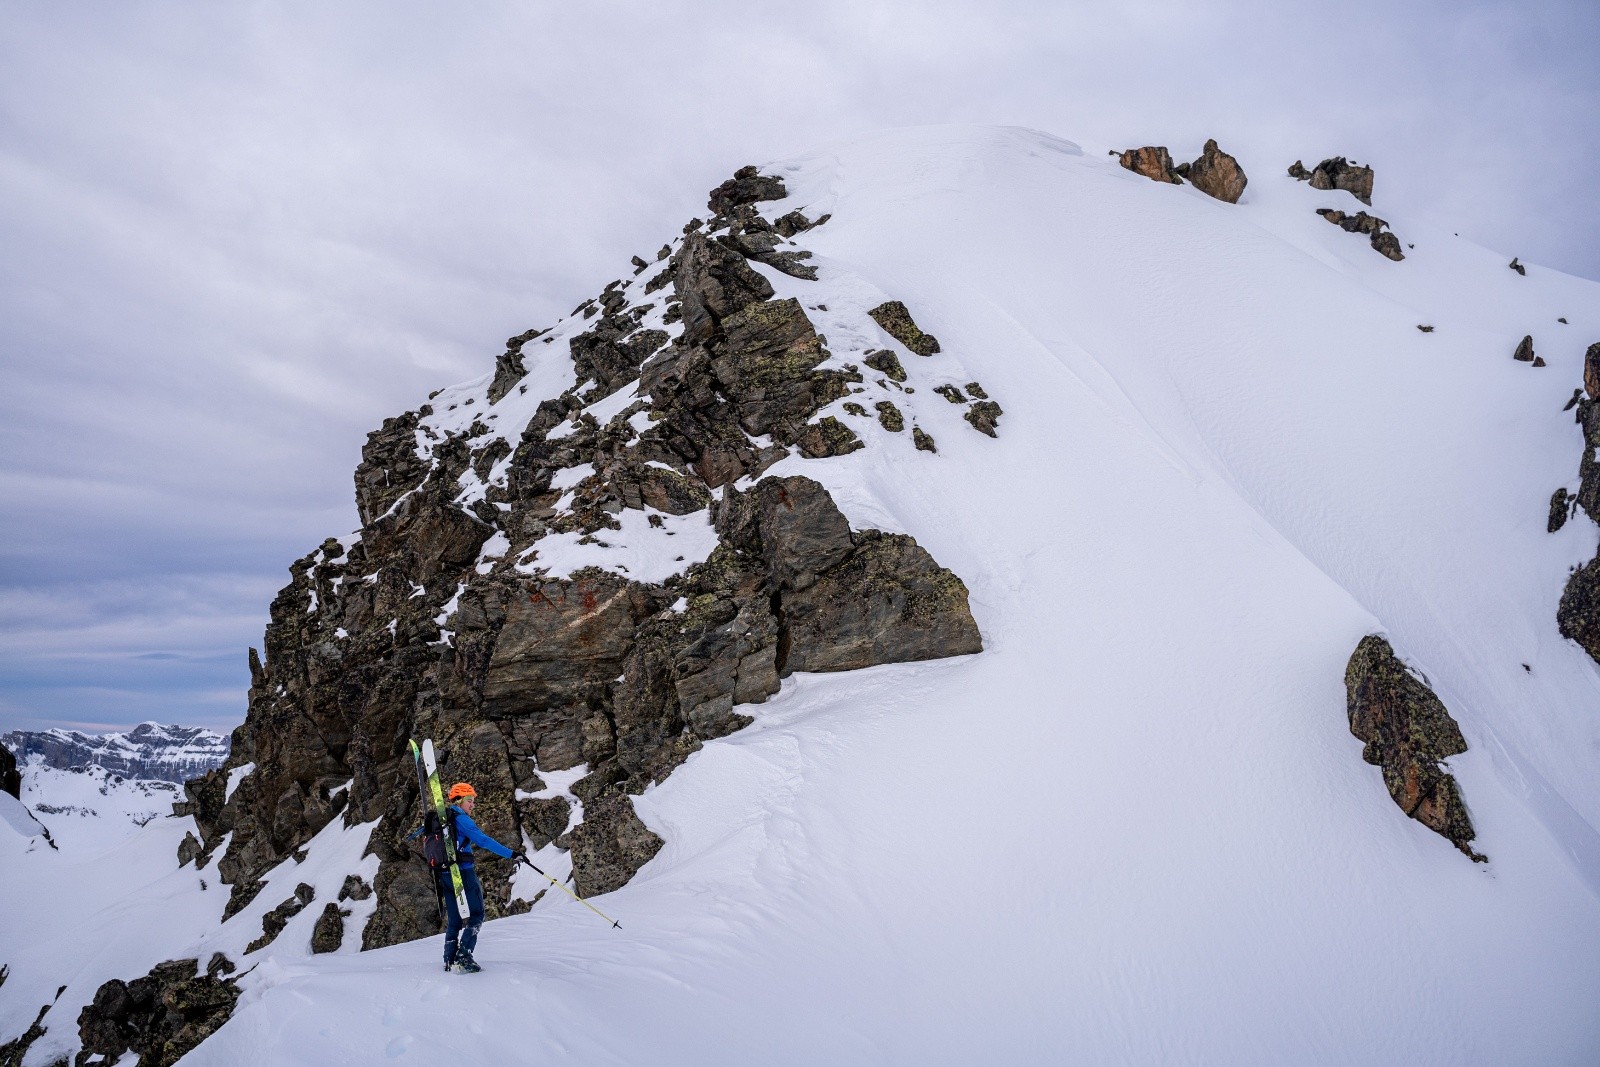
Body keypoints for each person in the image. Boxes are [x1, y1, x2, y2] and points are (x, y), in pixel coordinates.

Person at [437, 782, 515, 973]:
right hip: (463, 872)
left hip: (445, 873)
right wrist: (511, 854)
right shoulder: (461, 819)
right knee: (477, 914)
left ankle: (449, 958)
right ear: (460, 800)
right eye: (470, 800)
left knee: (454, 918)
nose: (472, 805)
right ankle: (464, 955)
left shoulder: (442, 820)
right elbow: (483, 840)